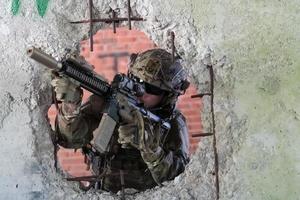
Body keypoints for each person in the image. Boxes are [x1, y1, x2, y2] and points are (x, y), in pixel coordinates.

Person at [51, 48, 190, 192]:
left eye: (151, 88)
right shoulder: (108, 102)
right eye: (137, 80)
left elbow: (180, 178)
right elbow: (69, 140)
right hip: (103, 192)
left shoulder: (173, 122)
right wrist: (69, 106)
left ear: (167, 96)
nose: (140, 91)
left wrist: (150, 149)